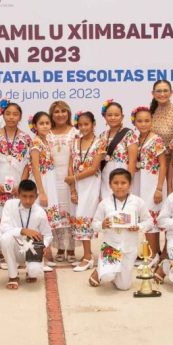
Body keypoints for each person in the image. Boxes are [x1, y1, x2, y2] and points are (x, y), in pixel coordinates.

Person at [91, 168, 152, 290]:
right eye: (116, 183)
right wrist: (102, 225)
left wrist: (139, 226)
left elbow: (149, 221)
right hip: (110, 247)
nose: (119, 186)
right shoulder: (104, 203)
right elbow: (94, 223)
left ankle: (111, 270)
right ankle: (100, 271)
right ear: (110, 184)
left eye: (123, 183)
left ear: (130, 184)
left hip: (129, 249)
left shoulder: (138, 202)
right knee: (108, 276)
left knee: (124, 287)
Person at [0, 100, 32, 224]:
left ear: (20, 117)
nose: (11, 117)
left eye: (15, 114)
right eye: (8, 113)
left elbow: (28, 165)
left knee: (17, 222)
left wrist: (21, 186)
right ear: (3, 115)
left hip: (17, 189)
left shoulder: (26, 138)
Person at [0, 179, 53, 289]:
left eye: (31, 196)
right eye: (24, 196)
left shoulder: (40, 212)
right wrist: (23, 230)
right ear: (18, 195)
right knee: (4, 238)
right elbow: (4, 228)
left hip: (32, 249)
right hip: (15, 247)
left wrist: (44, 245)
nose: (28, 200)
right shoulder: (9, 205)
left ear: (36, 196)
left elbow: (48, 235)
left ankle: (31, 270)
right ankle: (13, 276)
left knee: (34, 272)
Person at [69, 111, 104, 272]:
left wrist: (74, 178)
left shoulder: (100, 143)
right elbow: (70, 165)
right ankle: (86, 255)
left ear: (93, 124)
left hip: (91, 184)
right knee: (78, 217)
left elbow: (94, 167)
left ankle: (88, 256)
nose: (83, 127)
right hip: (77, 184)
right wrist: (72, 188)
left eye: (87, 124)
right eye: (80, 124)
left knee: (85, 217)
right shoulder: (75, 142)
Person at [28, 112, 64, 267]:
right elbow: (35, 168)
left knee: (45, 222)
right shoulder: (36, 143)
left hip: (49, 181)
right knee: (37, 221)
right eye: (41, 123)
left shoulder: (46, 141)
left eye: (47, 123)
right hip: (41, 183)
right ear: (35, 126)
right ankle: (36, 257)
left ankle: (43, 256)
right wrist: (41, 191)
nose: (45, 126)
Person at [131, 106, 167, 261]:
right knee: (144, 216)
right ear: (135, 122)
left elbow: (163, 165)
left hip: (152, 183)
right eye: (140, 121)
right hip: (140, 182)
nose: (143, 124)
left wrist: (159, 188)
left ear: (151, 121)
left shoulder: (156, 139)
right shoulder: (136, 140)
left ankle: (152, 255)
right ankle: (153, 252)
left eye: (147, 120)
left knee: (152, 218)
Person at [47, 100, 78, 264]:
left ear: (69, 113)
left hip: (70, 178)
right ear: (52, 114)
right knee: (57, 212)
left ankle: (71, 248)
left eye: (63, 111)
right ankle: (59, 247)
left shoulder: (75, 132)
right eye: (57, 111)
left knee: (70, 211)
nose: (60, 114)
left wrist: (73, 182)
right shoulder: (47, 133)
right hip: (52, 179)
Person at [98, 100, 138, 183]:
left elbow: (132, 162)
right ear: (105, 117)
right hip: (105, 179)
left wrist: (128, 182)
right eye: (109, 115)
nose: (113, 118)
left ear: (122, 117)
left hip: (123, 178)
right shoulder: (102, 136)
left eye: (116, 115)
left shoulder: (129, 134)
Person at [149, 79, 173, 146]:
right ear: (153, 93)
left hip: (171, 155)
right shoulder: (150, 111)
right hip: (150, 155)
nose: (162, 94)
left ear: (171, 93)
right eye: (158, 91)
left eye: (165, 91)